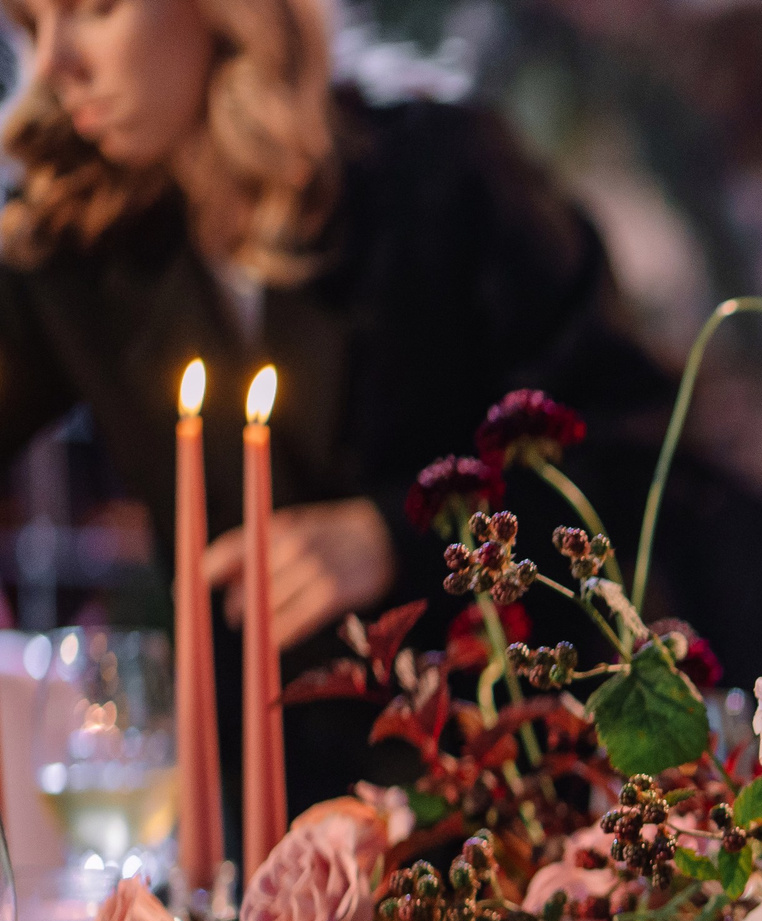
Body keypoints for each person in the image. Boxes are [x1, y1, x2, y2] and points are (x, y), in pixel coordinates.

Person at [0, 0, 675, 814]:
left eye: (93, 9)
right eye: (30, 27)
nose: (52, 67)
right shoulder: (72, 249)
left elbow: (635, 452)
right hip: (265, 842)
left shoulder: (441, 176)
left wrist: (394, 535)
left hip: (513, 808)